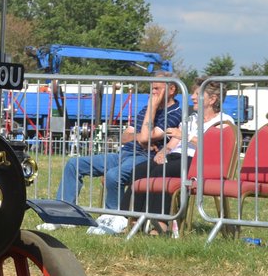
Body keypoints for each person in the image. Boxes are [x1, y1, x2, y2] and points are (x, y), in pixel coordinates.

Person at [56, 74, 181, 212]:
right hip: (123, 153)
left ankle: (115, 218)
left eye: (157, 88)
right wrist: (141, 137)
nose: (152, 92)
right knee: (74, 164)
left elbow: (147, 138)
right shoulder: (145, 109)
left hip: (144, 158)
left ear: (171, 90)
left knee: (113, 176)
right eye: (151, 88)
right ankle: (62, 212)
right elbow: (125, 137)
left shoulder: (175, 113)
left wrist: (152, 108)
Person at [131, 78, 235, 230]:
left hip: (200, 162)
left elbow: (215, 148)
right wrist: (163, 151)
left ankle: (160, 222)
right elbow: (173, 142)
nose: (192, 97)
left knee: (161, 171)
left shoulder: (224, 121)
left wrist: (185, 136)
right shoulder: (191, 119)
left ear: (212, 99)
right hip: (177, 157)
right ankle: (130, 217)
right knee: (141, 170)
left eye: (197, 94)